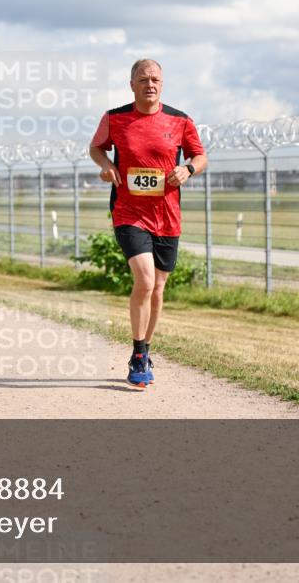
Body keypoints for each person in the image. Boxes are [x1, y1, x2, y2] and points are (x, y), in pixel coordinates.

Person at [89, 58, 207, 388]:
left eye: (155, 79)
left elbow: (200, 156)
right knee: (145, 279)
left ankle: (145, 349)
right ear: (132, 85)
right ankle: (138, 354)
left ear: (162, 84)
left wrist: (188, 169)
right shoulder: (115, 118)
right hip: (129, 211)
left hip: (167, 215)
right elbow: (96, 148)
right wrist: (107, 165)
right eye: (143, 79)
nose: (150, 84)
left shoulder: (180, 121)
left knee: (158, 288)